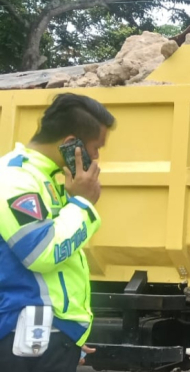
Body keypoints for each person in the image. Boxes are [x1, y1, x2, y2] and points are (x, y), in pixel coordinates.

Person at [0, 93, 115, 372]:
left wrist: (67, 333)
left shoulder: (47, 178)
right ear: (70, 144)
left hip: (42, 336)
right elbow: (41, 252)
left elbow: (58, 274)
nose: (98, 156)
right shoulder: (16, 180)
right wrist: (83, 204)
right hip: (26, 339)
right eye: (96, 146)